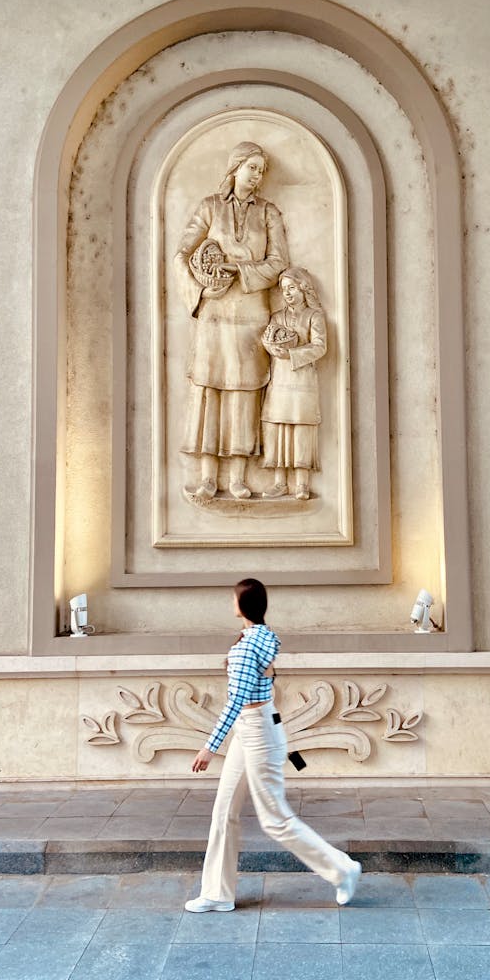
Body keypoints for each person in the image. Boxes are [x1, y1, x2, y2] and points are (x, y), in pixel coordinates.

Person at [185, 578, 361, 912]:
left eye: (233, 599)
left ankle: (343, 870)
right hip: (253, 728)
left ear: (243, 606)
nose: (230, 603)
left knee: (275, 819)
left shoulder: (246, 647)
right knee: (224, 809)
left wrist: (209, 747)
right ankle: (217, 894)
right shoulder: (263, 637)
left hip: (258, 733)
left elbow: (235, 700)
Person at [174, 142, 289, 499]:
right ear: (235, 167)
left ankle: (238, 477)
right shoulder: (209, 208)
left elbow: (278, 263)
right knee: (211, 389)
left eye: (262, 170)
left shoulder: (268, 212)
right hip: (214, 314)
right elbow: (181, 254)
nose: (257, 176)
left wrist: (238, 270)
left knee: (244, 391)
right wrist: (200, 290)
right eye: (252, 167)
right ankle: (208, 477)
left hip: (251, 315)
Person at [261, 267, 327, 501]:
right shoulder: (277, 316)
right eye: (283, 289)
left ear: (303, 287)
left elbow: (320, 346)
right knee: (279, 427)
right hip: (280, 381)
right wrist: (271, 347)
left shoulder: (314, 316)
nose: (287, 293)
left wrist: (293, 354)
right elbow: (268, 338)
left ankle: (301, 483)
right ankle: (280, 482)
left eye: (292, 288)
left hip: (302, 381)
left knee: (301, 427)